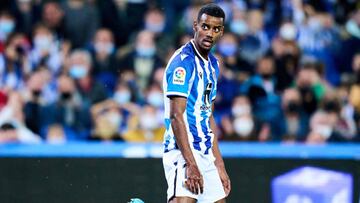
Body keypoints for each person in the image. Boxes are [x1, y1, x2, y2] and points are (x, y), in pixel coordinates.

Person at [162, 3, 231, 203]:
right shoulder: (183, 63)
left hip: (206, 152)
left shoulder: (214, 65)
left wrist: (219, 163)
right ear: (195, 26)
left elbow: (207, 114)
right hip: (182, 151)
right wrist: (190, 164)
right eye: (205, 27)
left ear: (221, 32)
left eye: (216, 29)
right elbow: (176, 116)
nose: (210, 33)